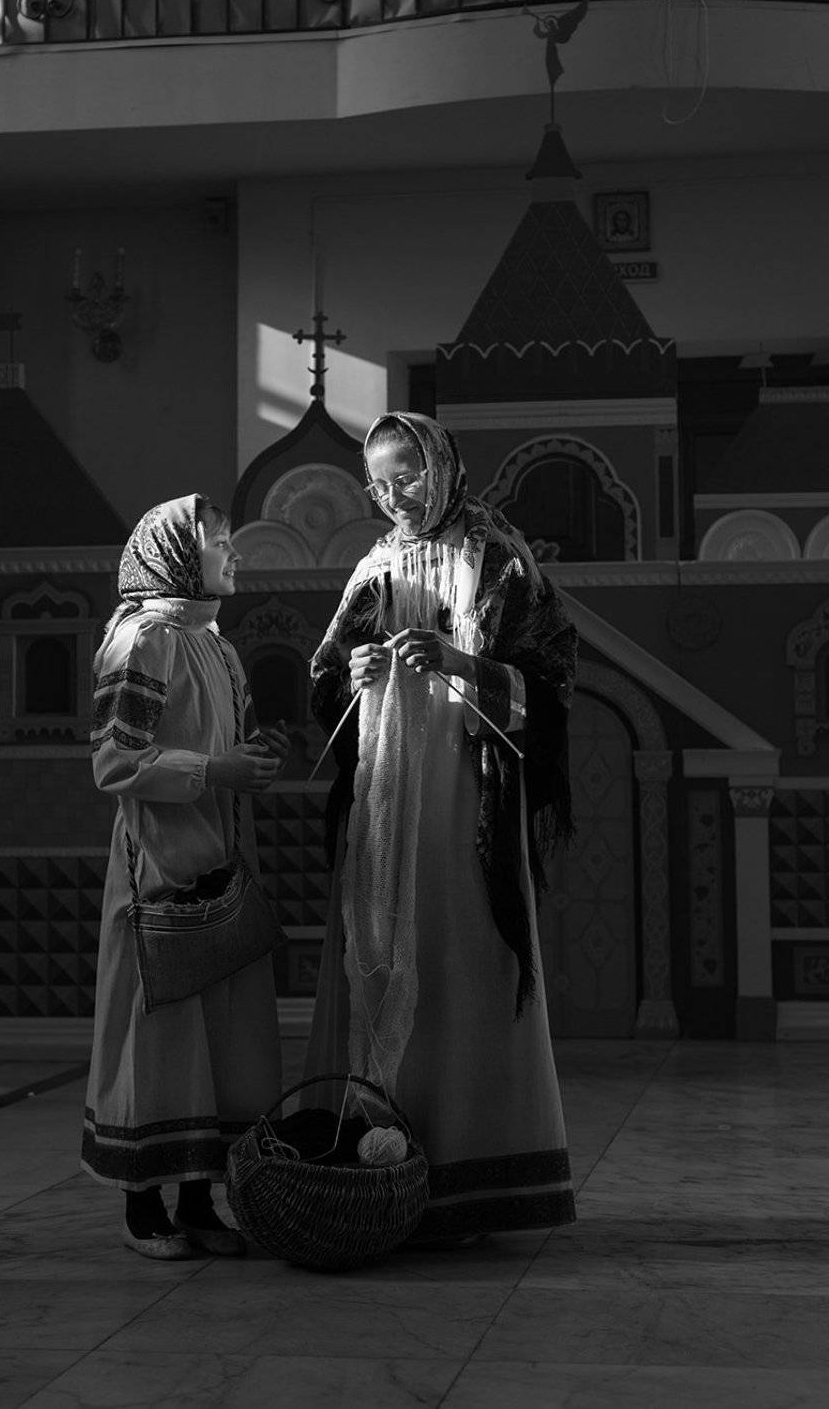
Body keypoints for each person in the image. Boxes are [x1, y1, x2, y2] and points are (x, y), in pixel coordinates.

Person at [306, 413, 577, 1243]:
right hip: (385, 795)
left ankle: (471, 1166)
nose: (395, 496)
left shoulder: (500, 560)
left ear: (444, 467)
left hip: (464, 792)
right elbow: (326, 679)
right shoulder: (372, 567)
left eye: (409, 476)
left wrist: (461, 663)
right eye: (380, 484)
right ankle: (374, 1159)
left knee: (462, 954)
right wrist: (352, 671)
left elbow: (551, 683)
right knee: (380, 945)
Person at [81, 494, 287, 1260]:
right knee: (159, 1034)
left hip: (221, 858)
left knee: (221, 1038)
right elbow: (113, 761)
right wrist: (215, 769)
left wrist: (254, 759)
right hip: (159, 862)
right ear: (174, 554)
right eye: (219, 541)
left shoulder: (217, 645)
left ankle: (200, 1201)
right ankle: (142, 1204)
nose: (234, 553)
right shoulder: (143, 639)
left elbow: (234, 741)